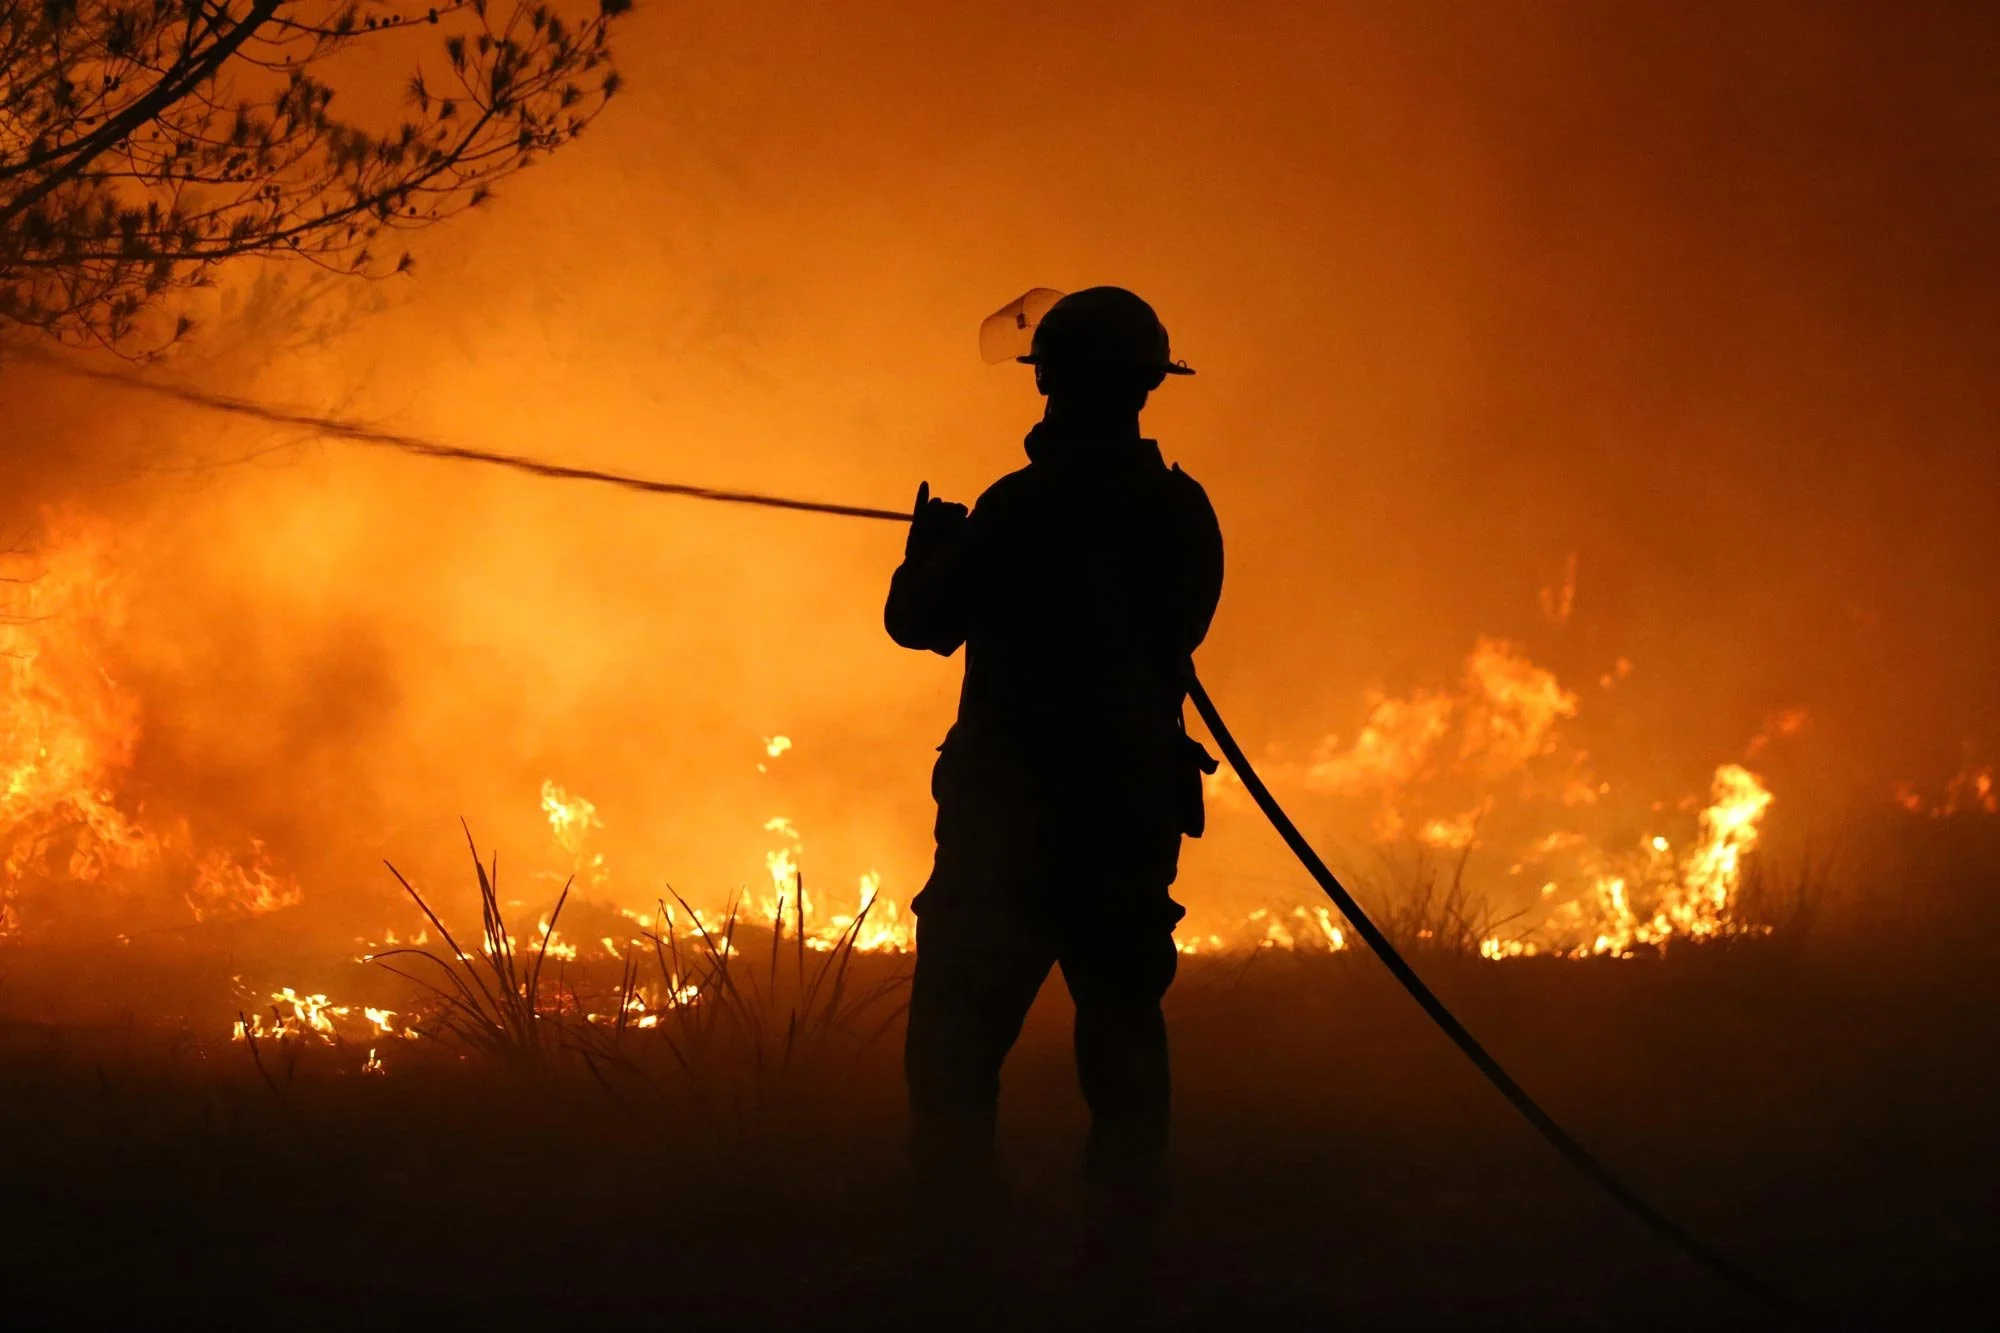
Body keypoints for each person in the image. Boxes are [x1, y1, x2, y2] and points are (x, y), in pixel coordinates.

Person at [885, 286, 1224, 1238]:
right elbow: (1177, 627)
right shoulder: (1181, 511)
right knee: (1123, 1036)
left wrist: (930, 554)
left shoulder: (1019, 508)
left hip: (1010, 827)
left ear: (1056, 386)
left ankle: (951, 1253)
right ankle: (1126, 1244)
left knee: (954, 1050)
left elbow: (920, 624)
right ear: (1149, 387)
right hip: (1126, 819)